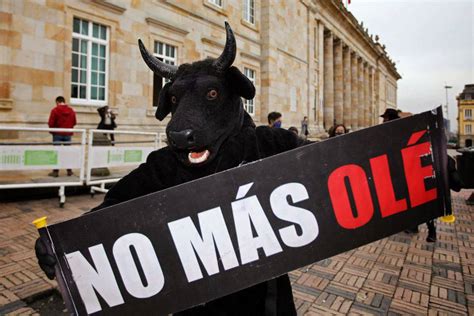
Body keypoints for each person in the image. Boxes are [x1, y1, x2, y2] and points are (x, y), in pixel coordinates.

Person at [47, 96, 76, 177]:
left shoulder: (55, 110)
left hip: (57, 134)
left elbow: (51, 123)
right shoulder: (71, 110)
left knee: (57, 153)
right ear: (64, 101)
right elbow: (74, 122)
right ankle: (69, 171)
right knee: (67, 153)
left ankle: (55, 172)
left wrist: (52, 131)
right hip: (68, 134)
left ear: (57, 102)